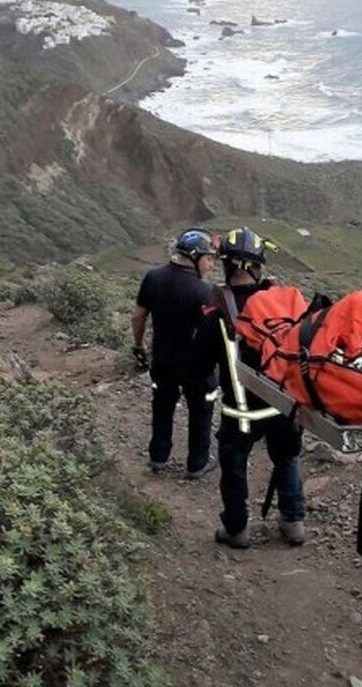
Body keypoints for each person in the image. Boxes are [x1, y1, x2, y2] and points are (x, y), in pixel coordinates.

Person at [206, 227, 306, 549]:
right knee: (287, 457)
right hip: (283, 403)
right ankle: (293, 522)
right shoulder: (284, 304)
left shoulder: (217, 311)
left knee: (234, 464)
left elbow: (198, 364)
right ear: (258, 266)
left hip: (241, 410)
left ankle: (237, 530)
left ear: (227, 266)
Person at [132, 229, 220, 480]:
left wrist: (139, 345)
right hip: (196, 366)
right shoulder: (205, 292)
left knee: (162, 406)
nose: (211, 264)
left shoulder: (153, 278)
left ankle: (158, 457)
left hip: (163, 359)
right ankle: (197, 463)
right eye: (208, 258)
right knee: (201, 411)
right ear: (194, 257)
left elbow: (138, 316)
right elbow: (214, 333)